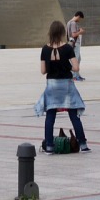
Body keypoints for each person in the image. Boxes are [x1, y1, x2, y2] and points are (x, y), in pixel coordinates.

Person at [35, 20, 90, 153]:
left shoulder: (45, 49)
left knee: (50, 115)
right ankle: (83, 144)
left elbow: (43, 71)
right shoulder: (67, 48)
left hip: (52, 84)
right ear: (62, 33)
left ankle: (49, 145)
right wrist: (67, 66)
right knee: (73, 114)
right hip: (66, 84)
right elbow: (76, 67)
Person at [66, 11, 85, 80]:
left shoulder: (69, 22)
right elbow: (73, 34)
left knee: (78, 58)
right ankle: (75, 76)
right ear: (78, 16)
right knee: (76, 59)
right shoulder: (73, 23)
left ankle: (76, 74)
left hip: (70, 43)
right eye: (80, 19)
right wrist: (80, 32)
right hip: (75, 44)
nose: (79, 20)